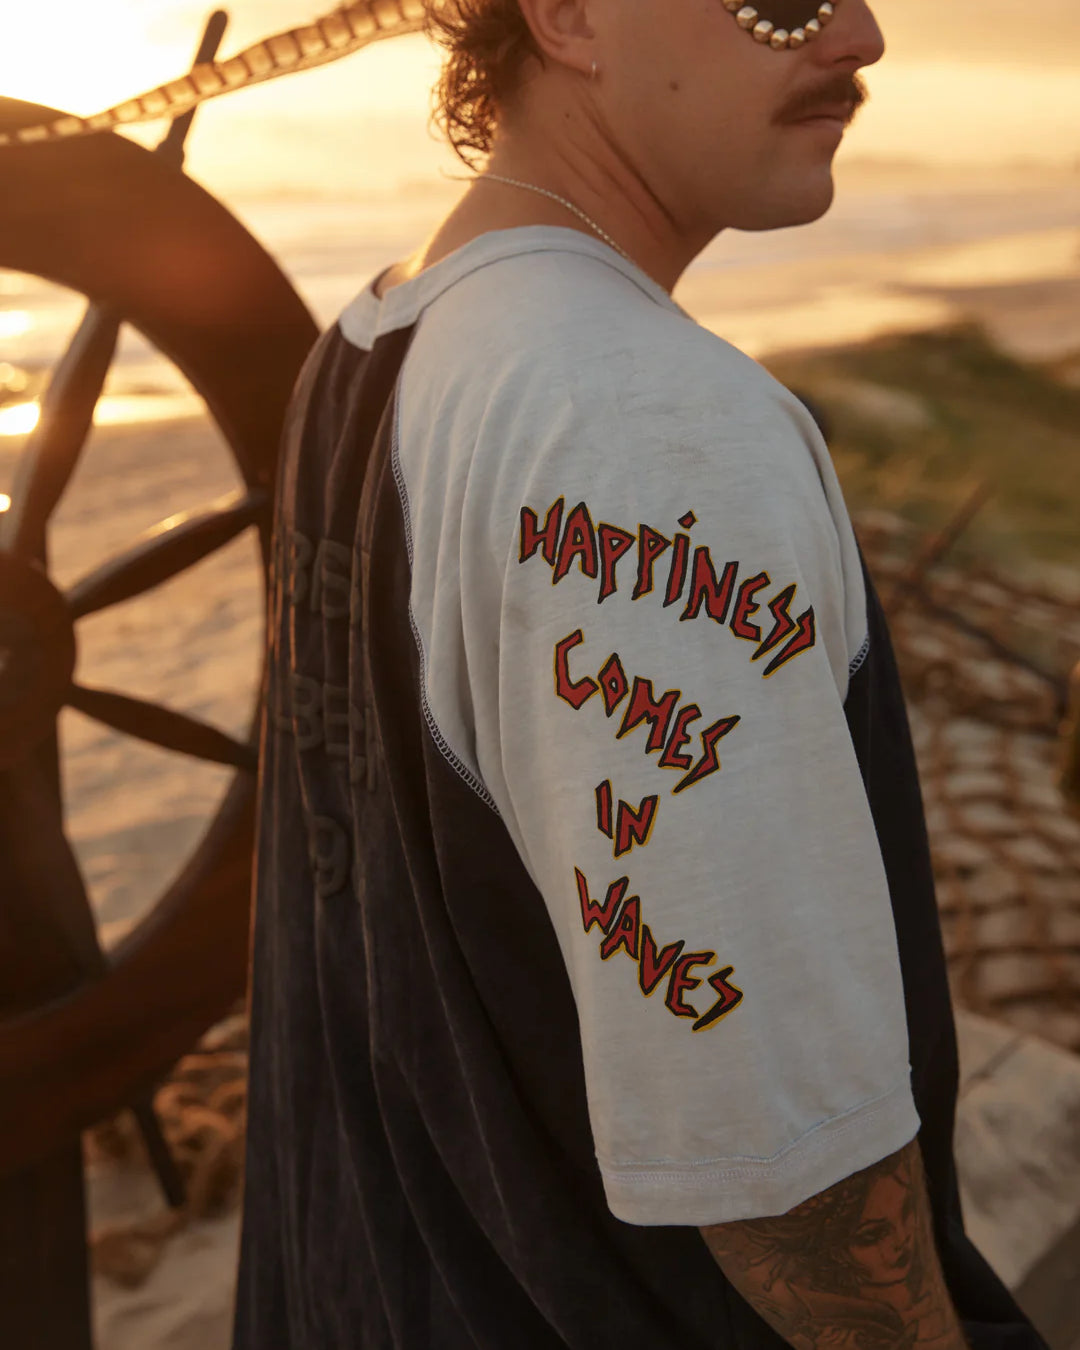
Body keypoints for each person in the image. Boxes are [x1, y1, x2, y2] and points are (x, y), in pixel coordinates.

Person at [233, 2, 1048, 1346]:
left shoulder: (375, 342)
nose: (859, 36)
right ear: (566, 13)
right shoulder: (645, 428)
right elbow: (785, 1170)